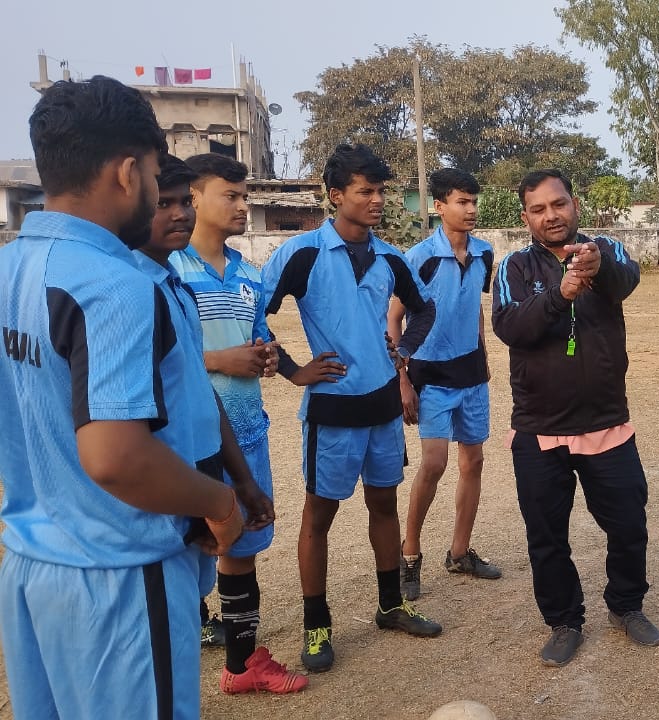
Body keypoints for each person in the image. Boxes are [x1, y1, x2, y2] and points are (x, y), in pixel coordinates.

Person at [0, 75, 255, 720]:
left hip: (31, 567)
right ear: (126, 172)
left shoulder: (10, 269)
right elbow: (116, 458)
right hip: (119, 577)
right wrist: (220, 503)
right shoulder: (115, 284)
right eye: (152, 173)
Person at [262, 143, 440, 673]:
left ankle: (390, 605)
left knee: (383, 504)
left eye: (381, 190)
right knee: (319, 515)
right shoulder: (302, 254)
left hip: (383, 406)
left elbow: (424, 310)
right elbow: (255, 314)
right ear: (336, 195)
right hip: (333, 409)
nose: (377, 200)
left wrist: (402, 352)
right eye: (366, 191)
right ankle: (316, 626)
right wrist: (294, 370)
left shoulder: (390, 258)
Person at [492, 168, 659, 667]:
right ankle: (564, 621)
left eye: (558, 204)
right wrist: (559, 295)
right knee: (546, 537)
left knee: (628, 523)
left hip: (607, 423)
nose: (551, 215)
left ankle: (626, 605)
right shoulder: (514, 266)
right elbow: (509, 326)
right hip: (539, 430)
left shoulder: (606, 248)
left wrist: (597, 267)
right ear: (526, 217)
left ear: (575, 204)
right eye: (539, 209)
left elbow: (626, 282)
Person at [169, 152, 306, 693]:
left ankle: (242, 665)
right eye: (231, 195)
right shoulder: (169, 270)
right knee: (188, 549)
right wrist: (218, 360)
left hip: (246, 432)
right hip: (190, 441)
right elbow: (158, 359)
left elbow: (256, 338)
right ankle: (176, 661)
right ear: (193, 198)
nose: (243, 206)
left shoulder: (250, 275)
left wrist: (266, 357)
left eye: (245, 196)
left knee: (242, 549)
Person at [390, 167, 501, 601]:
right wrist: (402, 378)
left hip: (470, 372)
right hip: (430, 375)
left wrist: (484, 357)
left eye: (474, 201)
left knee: (473, 462)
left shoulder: (484, 253)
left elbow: (474, 307)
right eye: (461, 202)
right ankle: (410, 553)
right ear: (439, 206)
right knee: (434, 464)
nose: (471, 209)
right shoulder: (419, 257)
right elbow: (394, 318)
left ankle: (459, 552)